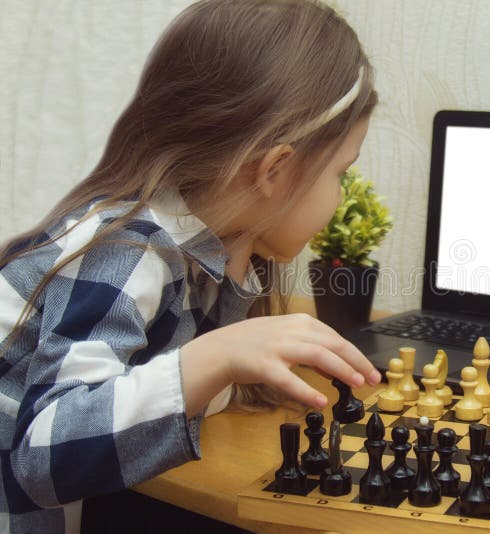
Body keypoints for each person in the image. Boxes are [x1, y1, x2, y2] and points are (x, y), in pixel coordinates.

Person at [0, 1, 382, 531]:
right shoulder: (125, 251)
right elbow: (41, 458)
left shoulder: (204, 246)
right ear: (275, 168)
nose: (340, 194)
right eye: (341, 170)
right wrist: (218, 355)